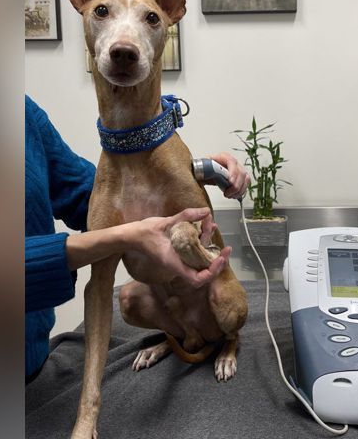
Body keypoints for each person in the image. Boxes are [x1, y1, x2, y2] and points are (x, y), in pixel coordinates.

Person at [24, 96, 249, 381]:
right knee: (129, 300)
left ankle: (192, 338)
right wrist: (124, 235)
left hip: (37, 361)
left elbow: (91, 196)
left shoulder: (24, 113)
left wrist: (178, 181)